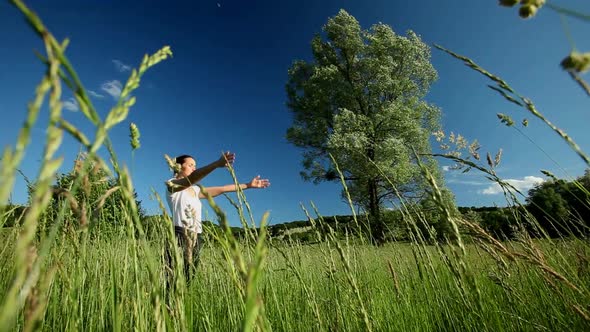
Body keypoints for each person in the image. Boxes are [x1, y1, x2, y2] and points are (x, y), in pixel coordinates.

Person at [165, 152, 270, 280]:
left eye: (195, 165)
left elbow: (222, 189)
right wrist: (216, 164)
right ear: (179, 166)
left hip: (197, 236)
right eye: (190, 165)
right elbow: (192, 178)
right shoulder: (172, 184)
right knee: (172, 279)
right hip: (180, 234)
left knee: (188, 279)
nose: (194, 168)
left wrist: (247, 185)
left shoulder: (196, 190)